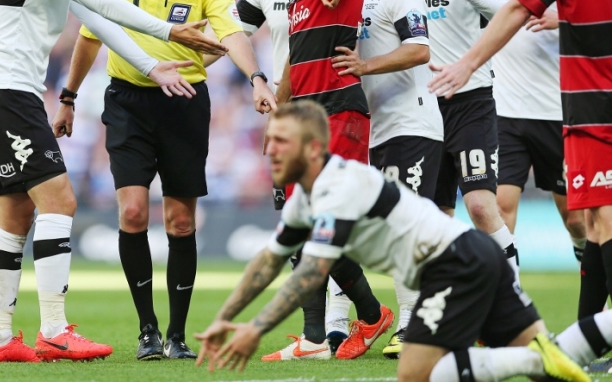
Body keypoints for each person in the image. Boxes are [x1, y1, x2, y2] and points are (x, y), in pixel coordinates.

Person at [0, 0, 226, 364]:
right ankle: (54, 331)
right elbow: (106, 5)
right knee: (59, 201)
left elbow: (97, 19)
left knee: (15, 214)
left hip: (1, 92)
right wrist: (170, 31)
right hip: (9, 95)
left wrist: (151, 66)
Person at [194, 100, 607, 382]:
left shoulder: (339, 186)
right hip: (473, 255)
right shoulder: (306, 196)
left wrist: (256, 327)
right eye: (269, 140)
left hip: (453, 266)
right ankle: (537, 357)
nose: (269, 150)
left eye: (281, 141)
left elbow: (311, 272)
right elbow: (270, 259)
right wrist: (223, 318)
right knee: (554, 362)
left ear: (314, 148)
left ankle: (532, 358)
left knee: (415, 374)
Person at [52, 0, 276, 361]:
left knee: (180, 220)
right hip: (127, 101)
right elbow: (92, 33)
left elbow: (230, 30)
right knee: (133, 213)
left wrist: (256, 77)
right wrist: (68, 96)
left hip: (185, 103)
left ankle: (176, 334)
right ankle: (147, 331)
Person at [428, 0, 612, 340]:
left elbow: (523, 11)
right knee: (498, 207)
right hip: (507, 113)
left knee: (583, 220)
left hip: (568, 109)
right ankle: (505, 310)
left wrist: (559, 14)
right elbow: (501, 11)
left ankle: (589, 313)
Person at [250, 0, 393, 362]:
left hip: (339, 114)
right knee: (303, 224)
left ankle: (364, 317)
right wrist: (280, 113)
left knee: (325, 224)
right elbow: (297, 59)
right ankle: (321, 335)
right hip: (307, 118)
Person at [383, 0, 516, 358]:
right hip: (419, 108)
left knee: (480, 206)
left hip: (470, 100)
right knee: (428, 220)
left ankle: (512, 304)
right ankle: (420, 320)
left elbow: (512, 14)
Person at [329, 0, 444, 359]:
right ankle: (347, 323)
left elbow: (419, 48)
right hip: (371, 129)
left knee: (403, 226)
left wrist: (365, 66)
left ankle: (414, 322)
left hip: (410, 124)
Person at [484, 0, 586, 264]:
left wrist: (566, 19)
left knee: (575, 218)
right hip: (506, 113)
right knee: (499, 208)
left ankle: (586, 260)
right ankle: (506, 292)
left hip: (560, 112)